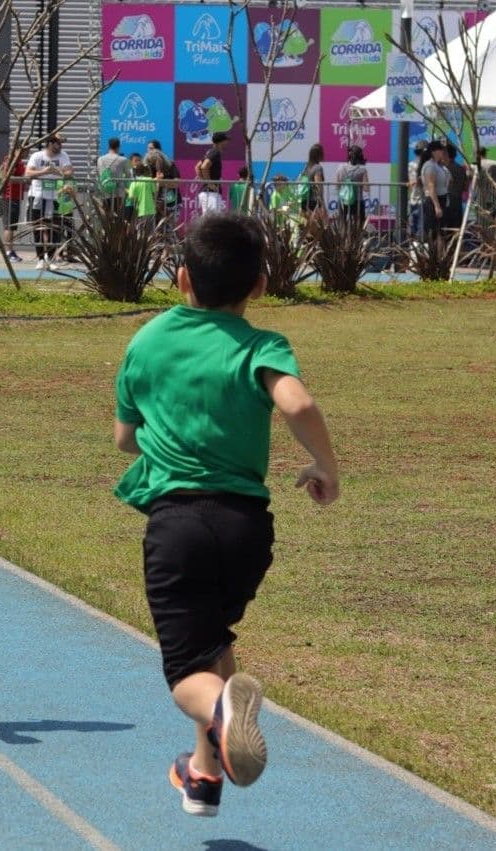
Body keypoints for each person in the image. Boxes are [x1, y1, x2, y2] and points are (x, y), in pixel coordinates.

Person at [112, 212, 339, 818]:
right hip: (246, 529)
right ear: (260, 285)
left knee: (190, 674)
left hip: (177, 525)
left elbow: (124, 438)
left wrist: (165, 435)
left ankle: (220, 713)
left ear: (180, 277)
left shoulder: (148, 341)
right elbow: (298, 401)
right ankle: (204, 775)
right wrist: (325, 465)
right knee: (215, 640)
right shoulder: (264, 346)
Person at [25, 134, 73, 271]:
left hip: (56, 196)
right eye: (58, 143)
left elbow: (69, 171)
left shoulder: (63, 155)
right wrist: (44, 171)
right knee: (38, 227)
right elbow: (28, 173)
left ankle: (51, 258)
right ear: (50, 143)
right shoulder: (37, 156)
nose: (61, 145)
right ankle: (40, 258)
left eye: (61, 142)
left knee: (55, 228)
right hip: (37, 195)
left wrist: (59, 173)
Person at [420, 140, 450, 240]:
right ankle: (431, 253)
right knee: (433, 230)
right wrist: (437, 206)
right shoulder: (430, 166)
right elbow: (431, 185)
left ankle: (440, 254)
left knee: (441, 231)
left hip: (442, 198)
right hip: (433, 201)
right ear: (433, 151)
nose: (442, 152)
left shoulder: (438, 165)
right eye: (440, 150)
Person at [196, 131, 230, 214]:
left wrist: (203, 181)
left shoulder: (211, 152)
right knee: (213, 221)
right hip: (210, 194)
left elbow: (197, 166)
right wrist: (209, 183)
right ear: (221, 141)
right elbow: (204, 166)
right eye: (226, 140)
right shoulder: (215, 152)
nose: (227, 142)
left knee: (209, 222)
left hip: (208, 193)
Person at [335, 145, 369, 227]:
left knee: (342, 223)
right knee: (360, 224)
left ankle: (343, 238)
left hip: (343, 201)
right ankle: (358, 238)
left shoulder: (340, 168)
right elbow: (366, 188)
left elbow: (337, 186)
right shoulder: (362, 170)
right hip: (357, 201)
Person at [97, 137, 132, 212]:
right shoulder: (123, 160)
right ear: (118, 147)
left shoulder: (100, 159)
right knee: (117, 215)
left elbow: (99, 173)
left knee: (106, 215)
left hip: (104, 191)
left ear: (109, 146)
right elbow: (128, 175)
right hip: (118, 192)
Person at [407, 140, 429, 241]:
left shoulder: (426, 166)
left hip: (420, 199)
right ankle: (416, 249)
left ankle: (417, 248)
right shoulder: (413, 165)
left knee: (417, 225)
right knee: (417, 225)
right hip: (417, 199)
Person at [444, 144, 468, 229]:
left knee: (447, 229)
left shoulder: (445, 169)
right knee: (457, 229)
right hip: (458, 201)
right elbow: (465, 187)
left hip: (448, 202)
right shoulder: (460, 168)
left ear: (446, 154)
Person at [301, 143, 326, 220]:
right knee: (316, 227)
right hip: (313, 202)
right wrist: (322, 204)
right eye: (322, 152)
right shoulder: (317, 168)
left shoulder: (306, 167)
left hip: (304, 200)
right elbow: (318, 186)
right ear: (318, 155)